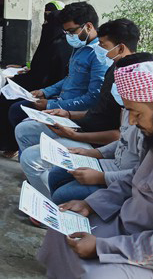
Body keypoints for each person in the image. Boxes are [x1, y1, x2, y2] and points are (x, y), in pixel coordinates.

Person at [38, 61, 153, 278]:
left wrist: (102, 248)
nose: (132, 122)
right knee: (61, 231)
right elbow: (136, 179)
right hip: (129, 225)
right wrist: (91, 204)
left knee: (95, 275)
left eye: (135, 113)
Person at [16, 19, 141, 197]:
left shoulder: (128, 84)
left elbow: (117, 134)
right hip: (82, 128)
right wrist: (67, 113)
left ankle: (47, 201)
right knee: (25, 129)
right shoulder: (113, 69)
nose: (101, 50)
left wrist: (74, 135)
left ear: (120, 48)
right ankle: (39, 184)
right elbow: (99, 111)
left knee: (31, 157)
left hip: (93, 140)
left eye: (103, 45)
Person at [47, 52, 153, 204]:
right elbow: (123, 140)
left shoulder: (150, 124)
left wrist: (101, 177)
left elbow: (142, 175)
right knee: (56, 174)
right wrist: (93, 153)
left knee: (63, 195)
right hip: (112, 165)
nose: (115, 87)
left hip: (123, 180)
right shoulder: (128, 108)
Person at [8, 2, 110, 132]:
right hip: (61, 101)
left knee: (24, 127)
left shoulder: (99, 54)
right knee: (17, 109)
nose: (69, 36)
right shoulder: (80, 47)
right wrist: (45, 92)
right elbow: (70, 78)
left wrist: (52, 105)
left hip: (74, 112)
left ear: (88, 26)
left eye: (72, 31)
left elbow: (93, 98)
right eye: (66, 32)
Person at [0, 1, 72, 157]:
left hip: (49, 91)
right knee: (4, 85)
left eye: (48, 20)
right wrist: (24, 69)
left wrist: (43, 91)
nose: (44, 23)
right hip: (40, 84)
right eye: (44, 18)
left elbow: (54, 77)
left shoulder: (61, 46)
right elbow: (38, 66)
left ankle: (10, 144)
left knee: (9, 100)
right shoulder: (50, 41)